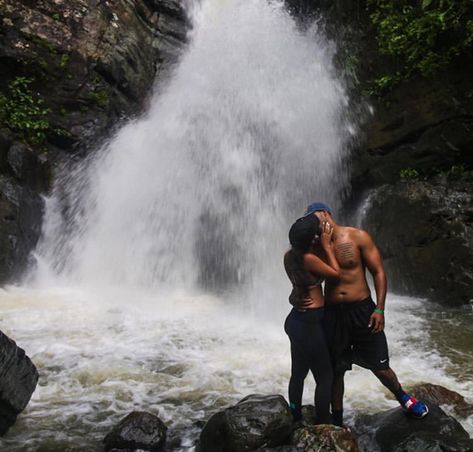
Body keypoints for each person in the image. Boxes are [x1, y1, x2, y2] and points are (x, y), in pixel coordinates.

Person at [304, 202, 429, 427]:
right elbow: (302, 277)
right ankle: (338, 422)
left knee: (380, 366)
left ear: (325, 214)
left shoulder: (358, 236)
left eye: (313, 219)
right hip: (332, 314)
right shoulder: (314, 247)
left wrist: (380, 308)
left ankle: (404, 397)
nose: (313, 225)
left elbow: (378, 272)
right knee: (336, 371)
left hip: (362, 310)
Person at [283, 214, 340, 424]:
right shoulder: (310, 259)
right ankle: (323, 422)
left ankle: (294, 413)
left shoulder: (289, 256)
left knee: (297, 373)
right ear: (312, 240)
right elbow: (336, 274)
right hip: (309, 322)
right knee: (325, 377)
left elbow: (300, 283)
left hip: (295, 320)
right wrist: (326, 246)